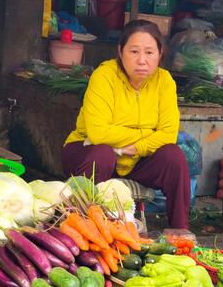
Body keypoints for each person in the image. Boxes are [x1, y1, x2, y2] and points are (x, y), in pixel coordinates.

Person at [62, 20, 191, 229]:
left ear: (160, 54)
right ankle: (85, 227)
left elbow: (168, 134)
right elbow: (98, 134)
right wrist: (148, 134)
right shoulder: (104, 76)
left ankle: (180, 231)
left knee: (173, 156)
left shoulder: (165, 81)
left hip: (137, 160)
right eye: (134, 51)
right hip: (88, 153)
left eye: (149, 52)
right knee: (103, 153)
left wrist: (136, 148)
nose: (142, 60)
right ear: (121, 52)